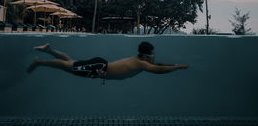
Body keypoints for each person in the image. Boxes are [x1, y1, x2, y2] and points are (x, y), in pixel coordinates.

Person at [27, 41, 188, 80]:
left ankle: (49, 50)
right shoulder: (141, 63)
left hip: (100, 66)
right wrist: (178, 67)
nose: (154, 57)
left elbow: (158, 65)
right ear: (146, 56)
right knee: (66, 65)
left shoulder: (142, 61)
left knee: (72, 63)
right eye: (152, 54)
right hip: (100, 68)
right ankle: (39, 62)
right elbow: (159, 70)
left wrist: (176, 65)